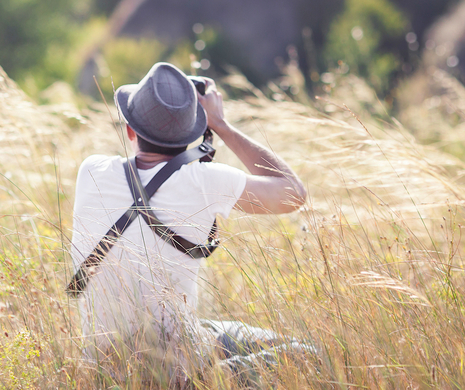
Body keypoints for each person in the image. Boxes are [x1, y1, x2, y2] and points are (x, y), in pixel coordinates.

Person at [69, 62, 311, 385]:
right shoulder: (204, 181)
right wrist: (221, 125)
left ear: (130, 130)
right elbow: (294, 193)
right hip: (178, 372)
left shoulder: (91, 171)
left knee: (209, 329)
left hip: (104, 370)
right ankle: (217, 378)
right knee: (306, 354)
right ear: (193, 134)